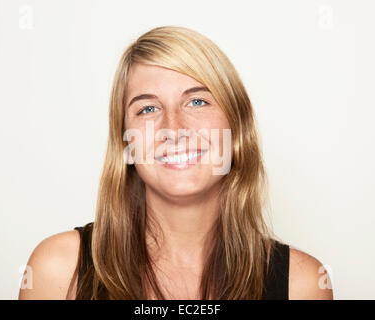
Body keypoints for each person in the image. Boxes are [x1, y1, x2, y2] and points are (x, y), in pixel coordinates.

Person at [18, 25, 333, 300]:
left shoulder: (302, 285)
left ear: (236, 129)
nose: (174, 129)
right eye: (148, 109)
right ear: (126, 142)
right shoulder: (59, 270)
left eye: (197, 101)